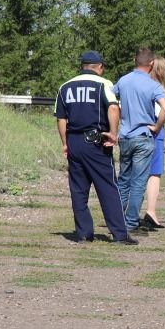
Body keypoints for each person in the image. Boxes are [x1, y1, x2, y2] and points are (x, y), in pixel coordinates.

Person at [55, 50, 136, 244]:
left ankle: (83, 233)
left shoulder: (65, 87)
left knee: (78, 189)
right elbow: (113, 107)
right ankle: (119, 234)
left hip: (74, 141)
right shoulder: (104, 84)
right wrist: (114, 134)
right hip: (96, 141)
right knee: (108, 187)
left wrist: (65, 143)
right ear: (100, 67)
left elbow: (61, 118)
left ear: (82, 66)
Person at [115, 46, 165, 236]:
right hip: (143, 137)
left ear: (134, 61)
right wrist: (156, 127)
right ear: (151, 64)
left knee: (123, 179)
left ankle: (116, 219)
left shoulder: (123, 81)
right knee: (138, 182)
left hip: (124, 136)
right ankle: (131, 222)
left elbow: (111, 102)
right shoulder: (153, 85)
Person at [139, 55, 165, 230]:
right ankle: (151, 211)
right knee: (154, 174)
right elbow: (160, 112)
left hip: (136, 132)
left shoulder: (139, 85)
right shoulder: (157, 88)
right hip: (155, 133)